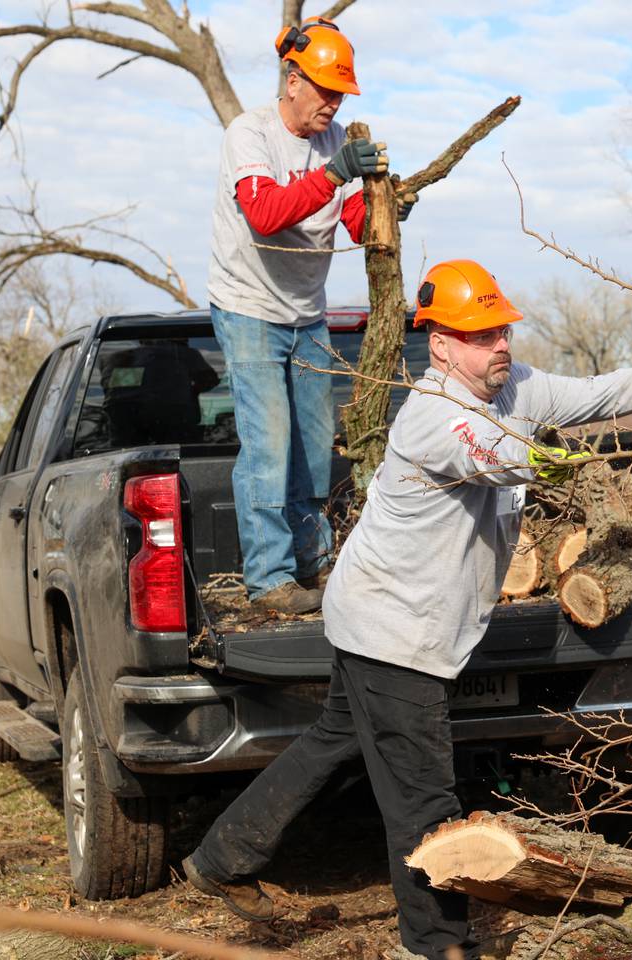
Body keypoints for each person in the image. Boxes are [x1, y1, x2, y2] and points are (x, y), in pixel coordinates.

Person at [182, 260, 632, 960]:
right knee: (423, 802)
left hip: (380, 616)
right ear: (440, 345)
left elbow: (593, 394)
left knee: (333, 741)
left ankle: (220, 860)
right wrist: (562, 462)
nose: (497, 345)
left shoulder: (514, 385)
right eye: (477, 335)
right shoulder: (435, 419)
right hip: (392, 634)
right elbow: (499, 455)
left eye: (500, 329)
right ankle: (435, 945)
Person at [209, 17, 413, 616]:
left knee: (315, 447)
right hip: (249, 308)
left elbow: (349, 222)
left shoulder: (335, 141)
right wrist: (336, 173)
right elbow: (267, 213)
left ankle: (315, 565)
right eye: (325, 90)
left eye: (340, 94)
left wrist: (388, 204)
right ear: (291, 80)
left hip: (307, 314)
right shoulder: (249, 135)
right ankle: (269, 581)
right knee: (269, 449)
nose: (333, 103)